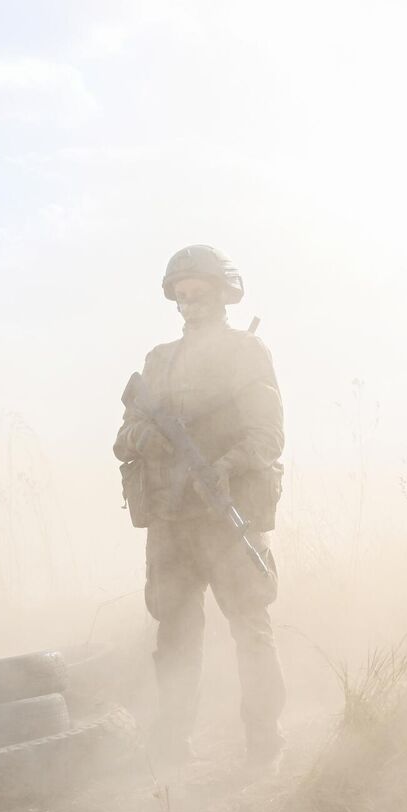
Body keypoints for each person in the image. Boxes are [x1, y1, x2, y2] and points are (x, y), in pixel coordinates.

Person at [113, 245, 287, 767]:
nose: (191, 305)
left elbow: (268, 435)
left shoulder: (245, 352)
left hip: (227, 515)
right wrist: (149, 437)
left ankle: (264, 745)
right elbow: (124, 436)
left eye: (201, 294)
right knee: (174, 635)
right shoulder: (158, 360)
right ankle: (171, 747)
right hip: (171, 520)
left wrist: (225, 466)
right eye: (182, 296)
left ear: (223, 294)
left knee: (250, 630)